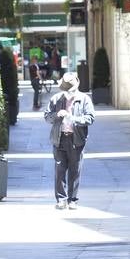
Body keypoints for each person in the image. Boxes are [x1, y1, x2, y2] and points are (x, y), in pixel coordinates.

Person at [43, 71, 95, 210]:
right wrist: (57, 115)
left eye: (70, 91)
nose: (68, 93)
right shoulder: (56, 99)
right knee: (59, 170)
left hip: (76, 139)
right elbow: (47, 116)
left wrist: (74, 119)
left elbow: (90, 118)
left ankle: (73, 200)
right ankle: (61, 200)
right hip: (59, 139)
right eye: (66, 91)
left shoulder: (84, 99)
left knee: (75, 170)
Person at [0, 46, 20, 126]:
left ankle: (11, 118)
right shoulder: (12, 66)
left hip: (7, 89)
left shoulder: (3, 68)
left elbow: (4, 79)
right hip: (13, 89)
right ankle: (13, 119)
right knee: (12, 103)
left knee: (8, 104)